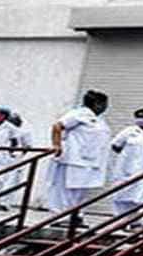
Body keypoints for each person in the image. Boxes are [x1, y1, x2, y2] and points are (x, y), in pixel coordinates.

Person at [46, 90, 112, 227]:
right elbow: (57, 126)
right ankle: (61, 217)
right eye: (104, 104)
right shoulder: (79, 114)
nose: (106, 107)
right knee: (66, 190)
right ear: (97, 104)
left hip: (89, 161)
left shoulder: (98, 119)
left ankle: (76, 216)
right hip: (73, 159)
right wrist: (57, 145)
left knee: (80, 191)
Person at [110, 108, 143, 220]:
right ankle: (120, 219)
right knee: (123, 193)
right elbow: (116, 145)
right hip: (127, 168)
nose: (140, 119)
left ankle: (138, 221)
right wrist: (127, 156)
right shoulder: (129, 131)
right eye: (138, 117)